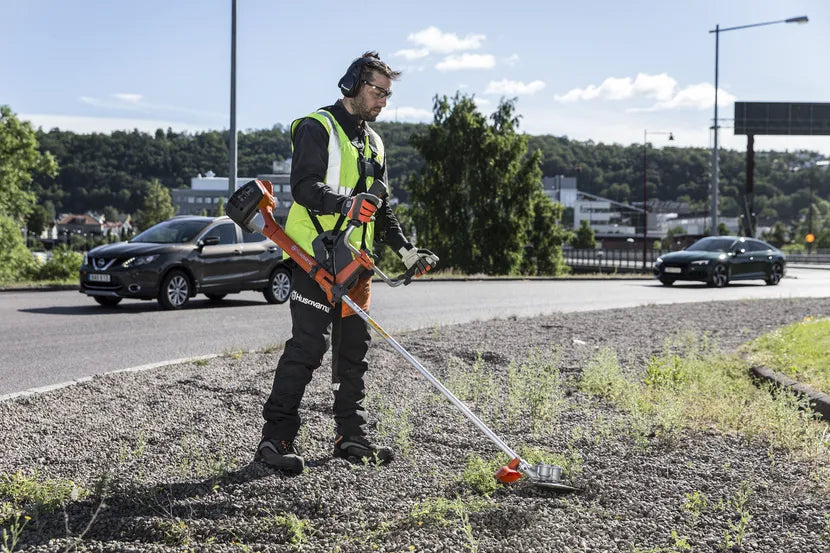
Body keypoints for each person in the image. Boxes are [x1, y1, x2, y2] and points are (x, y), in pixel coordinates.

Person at [255, 52, 439, 473]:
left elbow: (381, 205)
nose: (383, 102)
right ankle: (275, 440)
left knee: (354, 352)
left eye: (388, 95)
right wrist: (346, 203)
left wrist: (407, 249)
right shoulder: (316, 127)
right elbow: (303, 187)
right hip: (312, 258)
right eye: (377, 92)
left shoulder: (374, 141)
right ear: (353, 83)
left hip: (357, 265)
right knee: (307, 348)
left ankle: (350, 436)